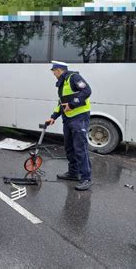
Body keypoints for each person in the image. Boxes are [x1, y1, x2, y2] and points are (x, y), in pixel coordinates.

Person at [46, 61, 93, 191]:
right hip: (68, 120)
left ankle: (86, 178)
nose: (53, 74)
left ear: (58, 70)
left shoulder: (74, 78)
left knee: (80, 149)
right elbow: (61, 104)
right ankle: (73, 173)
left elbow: (87, 91)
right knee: (69, 147)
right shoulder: (62, 83)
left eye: (53, 71)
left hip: (79, 118)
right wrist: (53, 117)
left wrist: (72, 105)